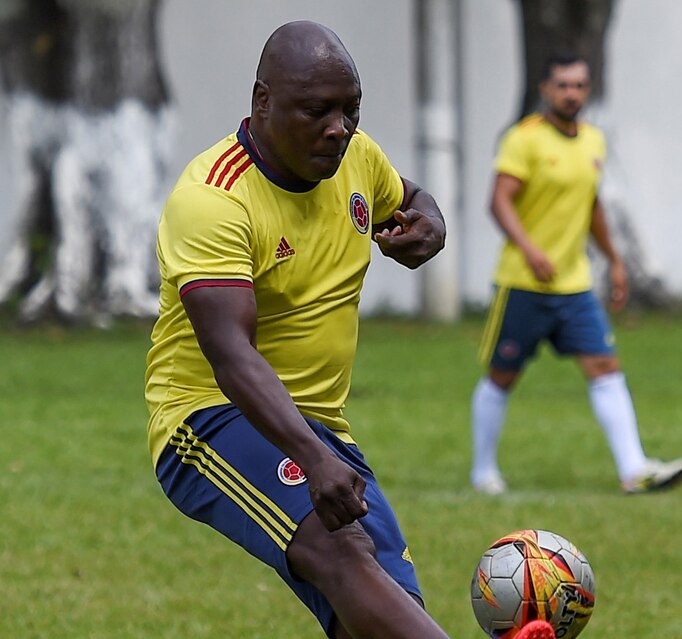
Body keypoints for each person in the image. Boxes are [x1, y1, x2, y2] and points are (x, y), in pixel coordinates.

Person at [144, 21, 453, 639]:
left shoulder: (356, 158)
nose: (338, 128)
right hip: (211, 419)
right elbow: (232, 357)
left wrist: (431, 225)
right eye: (317, 111)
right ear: (262, 102)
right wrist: (311, 457)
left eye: (351, 111)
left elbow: (409, 195)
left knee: (386, 612)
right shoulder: (213, 199)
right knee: (340, 554)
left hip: (320, 429)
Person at [470, 52, 682, 496]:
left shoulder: (593, 141)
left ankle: (634, 470)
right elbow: (499, 201)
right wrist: (530, 250)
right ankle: (483, 471)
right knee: (502, 375)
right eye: (563, 86)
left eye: (579, 86)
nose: (572, 94)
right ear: (546, 90)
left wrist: (615, 259)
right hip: (523, 283)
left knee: (605, 365)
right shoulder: (523, 139)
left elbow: (590, 207)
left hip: (574, 283)